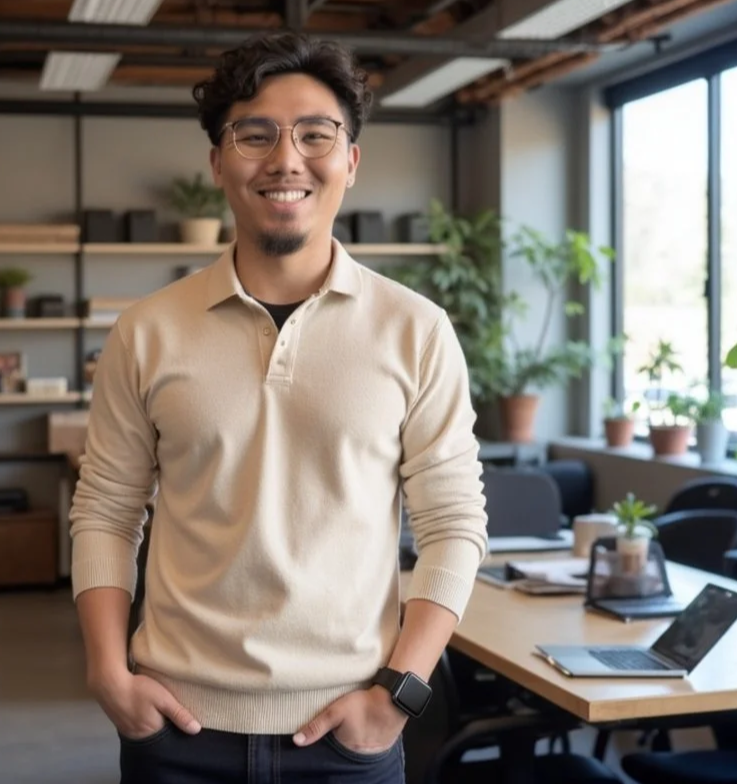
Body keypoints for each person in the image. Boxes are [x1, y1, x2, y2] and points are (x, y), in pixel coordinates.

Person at [69, 30, 489, 784]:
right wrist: (106, 670)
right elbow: (105, 509)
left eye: (315, 135)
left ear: (350, 162)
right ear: (218, 162)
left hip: (347, 736)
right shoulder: (147, 331)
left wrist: (399, 694)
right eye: (254, 134)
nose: (286, 159)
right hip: (174, 730)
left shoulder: (415, 330)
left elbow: (454, 527)